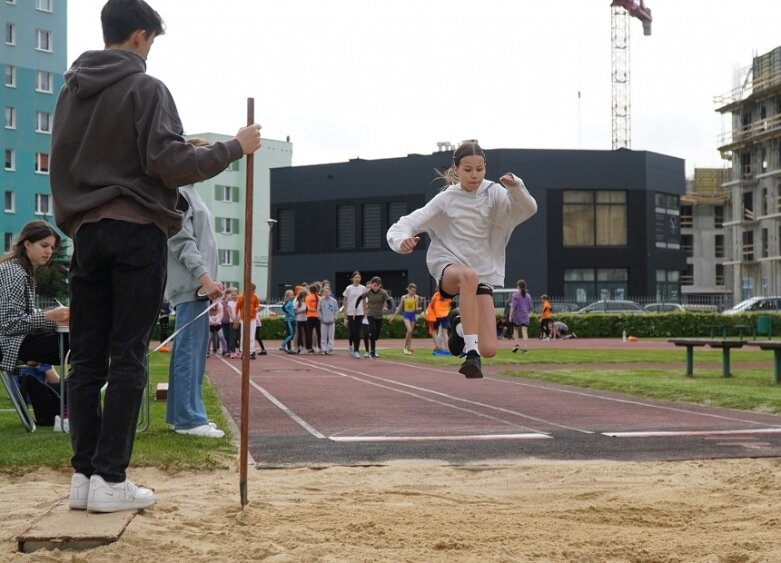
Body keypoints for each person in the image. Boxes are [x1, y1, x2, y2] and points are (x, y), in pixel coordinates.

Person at [49, 0, 262, 513]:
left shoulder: (70, 92)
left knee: (87, 359)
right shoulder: (147, 87)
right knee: (127, 356)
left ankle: (85, 477)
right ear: (141, 36)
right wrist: (235, 146)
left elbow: (78, 158)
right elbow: (168, 164)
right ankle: (110, 480)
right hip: (136, 231)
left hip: (88, 232)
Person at [387, 141, 537, 378]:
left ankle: (458, 324)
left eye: (479, 169)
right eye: (468, 170)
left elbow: (528, 209)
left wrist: (516, 186)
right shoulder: (446, 199)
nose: (474, 175)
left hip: (483, 271)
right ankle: (471, 355)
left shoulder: (494, 192)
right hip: (448, 264)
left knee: (490, 349)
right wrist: (401, 241)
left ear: (485, 168)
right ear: (456, 169)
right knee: (468, 276)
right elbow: (407, 222)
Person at [165, 149, 226, 439]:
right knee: (189, 352)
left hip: (199, 285)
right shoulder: (179, 194)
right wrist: (204, 278)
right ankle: (189, 419)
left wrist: (210, 283)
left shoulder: (190, 194)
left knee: (190, 352)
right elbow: (181, 241)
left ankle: (182, 414)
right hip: (191, 284)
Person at [0, 220, 70, 427]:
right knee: (85, 344)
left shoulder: (21, 270)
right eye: (44, 245)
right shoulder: (14, 272)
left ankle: (66, 411)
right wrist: (50, 316)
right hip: (10, 344)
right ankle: (68, 413)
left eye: (52, 247)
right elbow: (8, 324)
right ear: (27, 244)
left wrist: (56, 317)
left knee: (83, 343)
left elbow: (23, 317)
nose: (49, 251)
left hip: (18, 341)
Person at [357, 276, 393, 359]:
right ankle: (371, 351)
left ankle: (373, 341)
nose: (375, 287)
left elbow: (389, 303)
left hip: (379, 315)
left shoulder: (383, 293)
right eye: (374, 285)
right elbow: (360, 298)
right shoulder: (368, 292)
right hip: (369, 314)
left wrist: (387, 307)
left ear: (380, 285)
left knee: (376, 334)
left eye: (377, 285)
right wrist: (358, 308)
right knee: (371, 331)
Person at [390, 283, 423, 354]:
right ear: (408, 289)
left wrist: (418, 308)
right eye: (412, 290)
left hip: (412, 315)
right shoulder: (404, 297)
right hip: (406, 315)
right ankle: (405, 347)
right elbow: (399, 308)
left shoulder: (416, 297)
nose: (413, 292)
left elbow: (415, 308)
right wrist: (393, 317)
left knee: (410, 333)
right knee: (410, 330)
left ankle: (409, 348)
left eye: (414, 291)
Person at [342, 271, 366, 358]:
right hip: (351, 312)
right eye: (356, 277)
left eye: (359, 277)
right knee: (353, 332)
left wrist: (364, 312)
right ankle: (350, 346)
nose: (358, 279)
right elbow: (345, 301)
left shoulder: (363, 288)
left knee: (358, 332)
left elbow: (364, 301)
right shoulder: (349, 288)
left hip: (359, 312)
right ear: (353, 278)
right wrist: (345, 315)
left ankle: (356, 350)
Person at [236, 283, 261, 359]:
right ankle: (242, 351)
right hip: (243, 319)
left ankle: (251, 351)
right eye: (252, 290)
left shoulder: (255, 297)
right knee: (243, 335)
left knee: (252, 335)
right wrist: (236, 318)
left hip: (252, 319)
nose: (253, 291)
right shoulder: (241, 297)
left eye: (253, 290)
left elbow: (257, 305)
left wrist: (256, 309)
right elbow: (237, 307)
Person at [426, 290, 452, 356]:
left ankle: (438, 348)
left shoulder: (436, 295)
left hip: (437, 316)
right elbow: (449, 304)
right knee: (445, 334)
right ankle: (447, 350)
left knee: (434, 331)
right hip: (445, 315)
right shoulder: (448, 295)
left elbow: (431, 305)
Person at [510, 280, 533, 353]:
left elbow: (513, 306)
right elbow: (530, 307)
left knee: (516, 330)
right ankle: (525, 347)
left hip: (517, 316)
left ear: (519, 286)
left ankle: (516, 344)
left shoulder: (515, 295)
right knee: (524, 332)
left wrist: (510, 315)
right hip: (525, 315)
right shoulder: (528, 296)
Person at [317, 286, 339, 354]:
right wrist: (321, 318)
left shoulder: (334, 301)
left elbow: (336, 310)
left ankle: (330, 349)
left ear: (330, 292)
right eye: (325, 292)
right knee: (323, 336)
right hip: (323, 321)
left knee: (331, 336)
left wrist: (334, 318)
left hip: (331, 321)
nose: (327, 293)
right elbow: (319, 310)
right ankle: (324, 349)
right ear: (323, 293)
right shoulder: (321, 300)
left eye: (328, 292)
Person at [304, 283, 321, 354]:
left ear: (310, 290)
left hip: (310, 316)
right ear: (317, 290)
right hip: (317, 317)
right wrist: (316, 310)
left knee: (309, 333)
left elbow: (308, 308)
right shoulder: (319, 298)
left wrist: (313, 309)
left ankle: (309, 348)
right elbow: (320, 308)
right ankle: (320, 347)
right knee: (319, 333)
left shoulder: (307, 297)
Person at [292, 287, 308, 354]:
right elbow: (295, 312)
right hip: (299, 320)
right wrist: (302, 311)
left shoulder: (306, 302)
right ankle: (296, 347)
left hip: (305, 319)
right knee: (298, 334)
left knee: (304, 334)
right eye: (304, 296)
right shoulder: (297, 303)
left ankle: (304, 347)